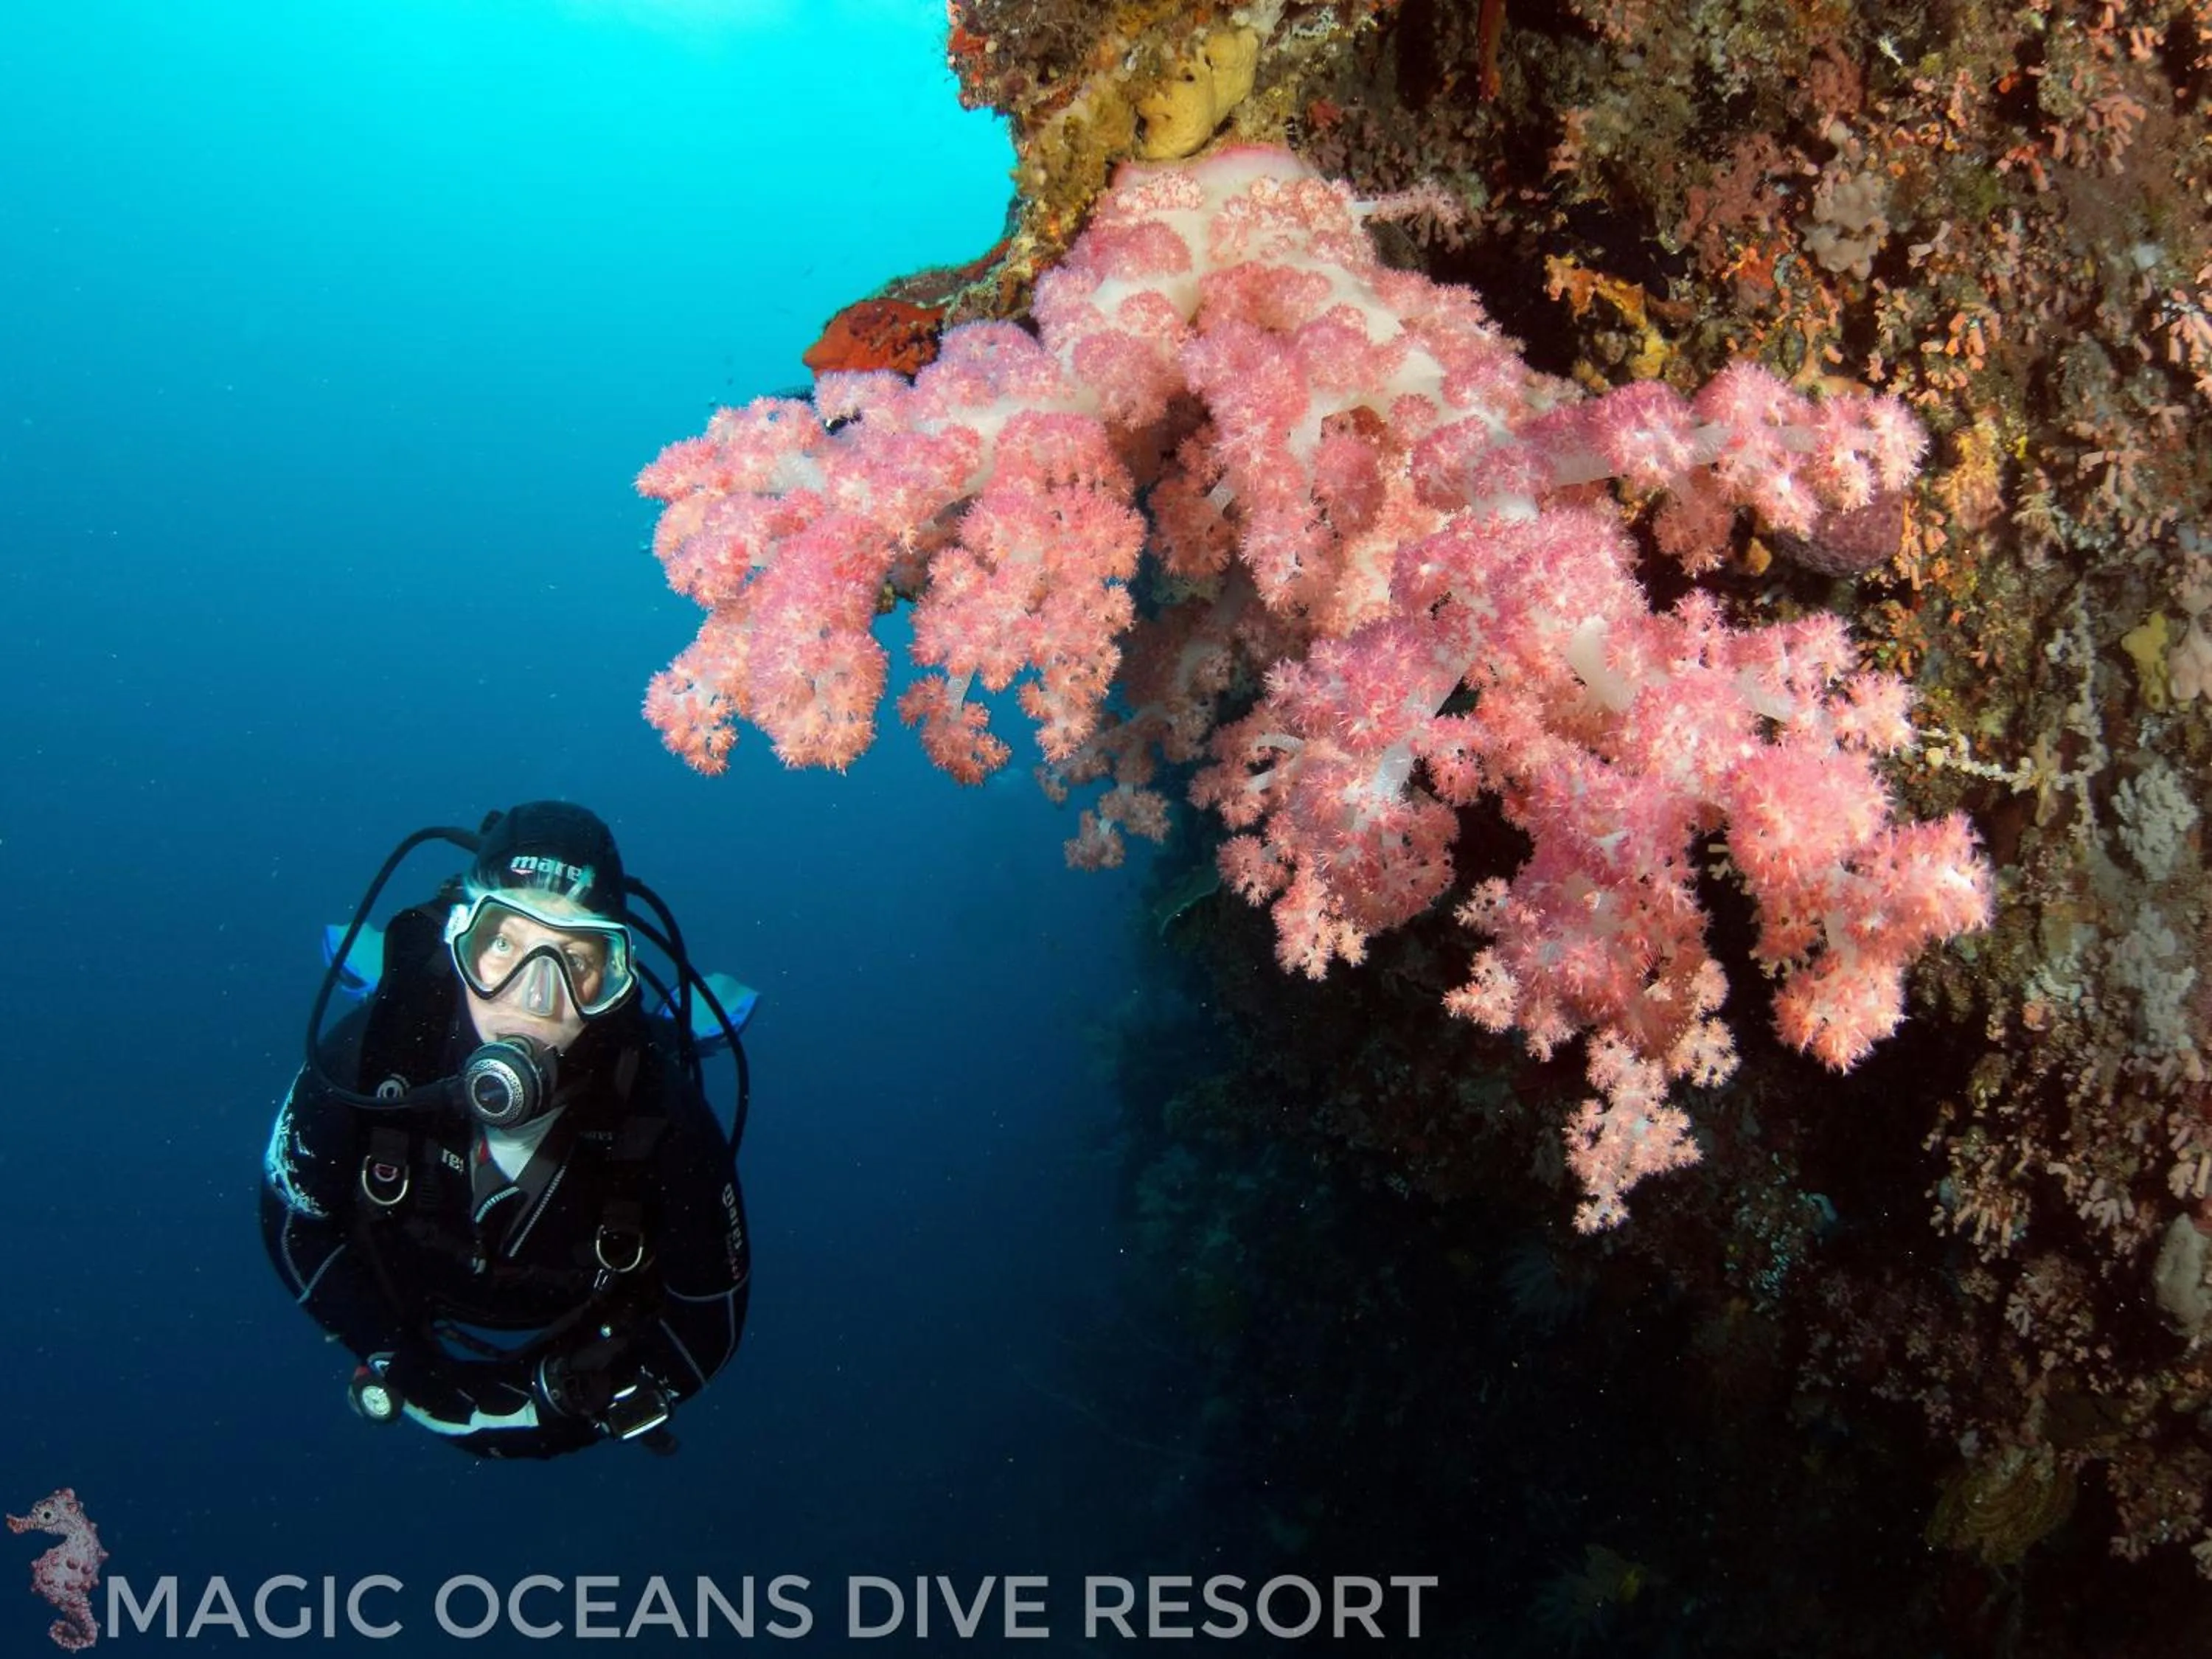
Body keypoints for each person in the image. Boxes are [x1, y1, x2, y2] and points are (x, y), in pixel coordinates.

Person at [260, 801, 751, 1458]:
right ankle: (394, 960)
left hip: (564, 1322)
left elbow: (710, 1315)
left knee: (660, 1046)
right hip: (416, 1298)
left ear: (614, 977)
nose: (535, 1000)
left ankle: (673, 1019)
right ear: (459, 943)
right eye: (503, 945)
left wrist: (555, 1412)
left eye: (576, 961)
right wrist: (391, 1353)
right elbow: (291, 1217)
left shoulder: (661, 1114)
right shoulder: (370, 1059)